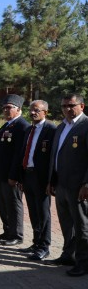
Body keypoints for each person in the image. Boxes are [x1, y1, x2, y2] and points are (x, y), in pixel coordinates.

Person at [47, 93, 88, 275]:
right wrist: (51, 181)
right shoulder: (61, 126)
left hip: (78, 186)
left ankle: (84, 262)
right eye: (64, 106)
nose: (67, 109)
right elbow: (55, 156)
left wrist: (87, 184)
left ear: (82, 106)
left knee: (81, 225)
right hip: (61, 184)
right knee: (66, 223)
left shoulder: (86, 125)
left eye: (71, 105)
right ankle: (68, 254)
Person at [0, 94, 29, 246]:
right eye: (4, 108)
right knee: (3, 204)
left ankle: (17, 235)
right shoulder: (7, 125)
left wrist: (14, 175)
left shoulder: (22, 126)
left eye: (9, 107)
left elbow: (19, 155)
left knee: (13, 205)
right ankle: (7, 230)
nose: (5, 110)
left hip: (11, 175)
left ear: (18, 109)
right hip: (1, 174)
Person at [18, 100, 56, 260]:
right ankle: (36, 242)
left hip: (41, 178)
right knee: (33, 212)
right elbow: (23, 153)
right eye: (31, 110)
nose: (33, 113)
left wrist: (51, 181)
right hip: (28, 175)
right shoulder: (29, 129)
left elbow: (53, 158)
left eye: (37, 110)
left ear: (45, 112)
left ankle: (44, 246)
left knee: (43, 213)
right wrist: (21, 177)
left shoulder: (51, 130)